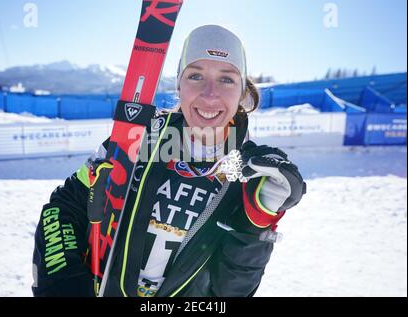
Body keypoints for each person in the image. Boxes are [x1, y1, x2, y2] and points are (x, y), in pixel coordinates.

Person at [32, 25, 306, 297]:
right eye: (196, 76)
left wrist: (258, 218)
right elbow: (62, 209)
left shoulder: (248, 172)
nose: (210, 94)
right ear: (179, 84)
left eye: (226, 79)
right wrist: (63, 283)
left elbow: (228, 292)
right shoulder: (140, 139)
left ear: (242, 91)